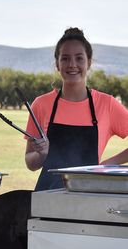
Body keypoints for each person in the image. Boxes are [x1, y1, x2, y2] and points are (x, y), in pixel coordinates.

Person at [24, 27, 128, 191]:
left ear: (89, 63)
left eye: (79, 58)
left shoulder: (107, 104)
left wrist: (106, 165)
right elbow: (30, 163)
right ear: (57, 64)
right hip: (46, 197)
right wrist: (41, 155)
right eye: (65, 58)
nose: (72, 64)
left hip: (89, 194)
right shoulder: (41, 104)